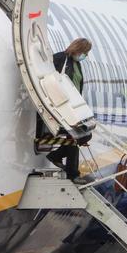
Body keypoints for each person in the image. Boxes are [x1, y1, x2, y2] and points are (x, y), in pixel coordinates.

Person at [46, 38, 93, 183]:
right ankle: (73, 174)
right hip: (62, 106)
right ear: (78, 49)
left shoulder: (77, 63)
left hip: (75, 107)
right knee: (76, 137)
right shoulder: (60, 59)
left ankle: (56, 156)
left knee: (84, 136)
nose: (85, 55)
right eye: (84, 52)